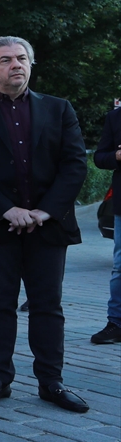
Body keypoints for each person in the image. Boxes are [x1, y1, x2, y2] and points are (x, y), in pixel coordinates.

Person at [0, 37, 90, 412]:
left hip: (49, 225)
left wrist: (45, 212)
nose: (16, 65)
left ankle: (52, 382)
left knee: (48, 305)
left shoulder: (59, 109)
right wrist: (6, 210)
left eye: (22, 58)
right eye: (6, 60)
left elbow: (74, 164)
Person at [91, 105, 121, 345]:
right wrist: (116, 157)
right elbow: (99, 158)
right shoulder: (115, 117)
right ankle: (116, 323)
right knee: (120, 266)